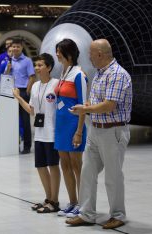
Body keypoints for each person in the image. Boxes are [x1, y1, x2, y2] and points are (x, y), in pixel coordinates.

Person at [66, 39, 132, 229]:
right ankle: (87, 214)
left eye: (91, 54)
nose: (89, 57)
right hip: (95, 130)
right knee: (87, 173)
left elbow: (109, 105)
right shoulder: (99, 74)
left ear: (100, 55)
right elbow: (94, 103)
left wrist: (86, 109)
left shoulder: (117, 74)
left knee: (113, 176)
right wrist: (85, 109)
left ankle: (118, 215)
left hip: (113, 131)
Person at [13, 53, 61, 213]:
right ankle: (48, 199)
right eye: (36, 65)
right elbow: (32, 111)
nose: (37, 68)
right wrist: (19, 98)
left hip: (52, 133)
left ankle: (55, 201)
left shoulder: (57, 84)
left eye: (40, 65)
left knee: (53, 166)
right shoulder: (34, 86)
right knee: (41, 166)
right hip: (39, 133)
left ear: (49, 67)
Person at [54, 39, 88, 218]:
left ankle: (83, 204)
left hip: (74, 125)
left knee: (77, 165)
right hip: (61, 125)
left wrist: (79, 131)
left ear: (69, 53)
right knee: (64, 164)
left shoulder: (78, 75)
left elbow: (83, 105)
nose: (57, 54)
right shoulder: (63, 72)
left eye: (59, 51)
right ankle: (73, 202)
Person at [4, 38, 36, 154]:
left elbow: (32, 77)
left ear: (22, 48)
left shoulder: (27, 61)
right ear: (10, 48)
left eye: (18, 46)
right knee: (12, 120)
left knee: (25, 120)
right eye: (14, 47)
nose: (15, 49)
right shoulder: (9, 61)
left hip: (23, 92)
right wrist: (8, 69)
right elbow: (5, 77)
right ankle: (14, 145)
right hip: (12, 92)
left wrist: (27, 91)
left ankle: (27, 146)